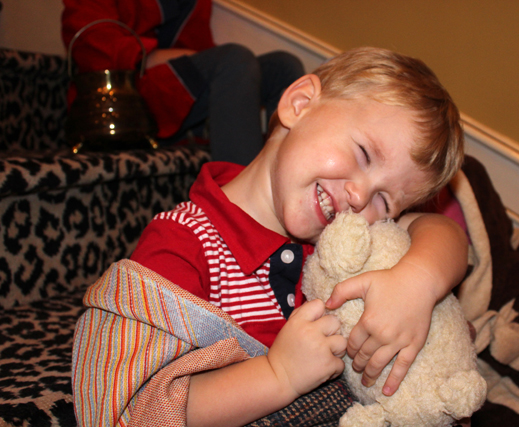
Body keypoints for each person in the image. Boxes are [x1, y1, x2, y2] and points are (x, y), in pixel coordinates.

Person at [125, 46, 469, 427]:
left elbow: (445, 233)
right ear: (299, 104)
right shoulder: (183, 244)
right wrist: (280, 374)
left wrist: (418, 281)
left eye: (384, 201)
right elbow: (145, 405)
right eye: (363, 154)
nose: (359, 197)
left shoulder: (340, 244)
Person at [61, 0, 304, 165]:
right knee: (234, 59)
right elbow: (93, 43)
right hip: (126, 96)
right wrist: (163, 56)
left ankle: (281, 178)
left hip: (173, 85)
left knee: (283, 66)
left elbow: (196, 45)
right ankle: (239, 204)